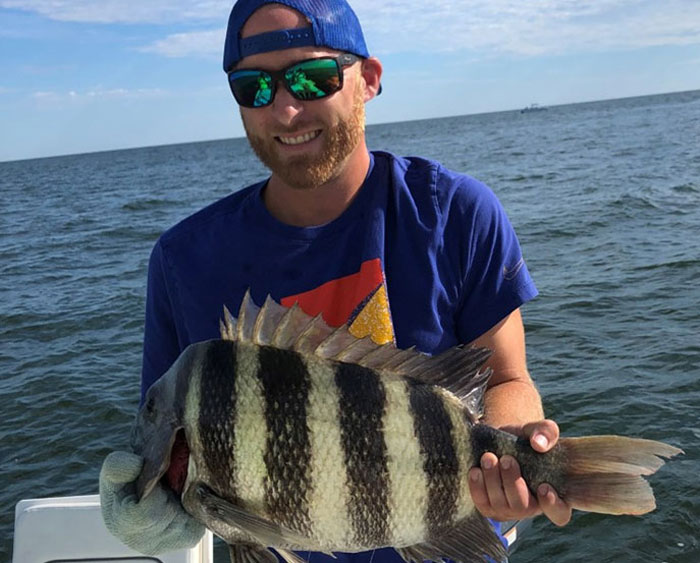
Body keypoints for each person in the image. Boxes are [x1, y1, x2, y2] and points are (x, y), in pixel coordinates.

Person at [100, 0, 572, 559]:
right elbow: (167, 430)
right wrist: (150, 506)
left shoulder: (456, 214)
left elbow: (504, 380)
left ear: (367, 80)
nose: (285, 111)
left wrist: (507, 465)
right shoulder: (183, 261)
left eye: (311, 77)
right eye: (254, 88)